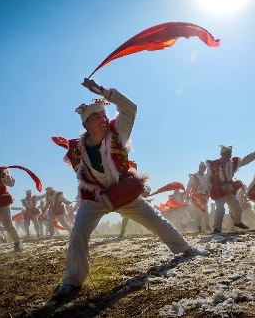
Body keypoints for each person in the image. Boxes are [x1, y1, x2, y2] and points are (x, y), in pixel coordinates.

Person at [51, 78, 201, 301]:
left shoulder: (118, 131)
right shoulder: (76, 150)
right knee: (78, 233)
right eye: (95, 116)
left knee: (155, 220)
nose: (102, 118)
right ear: (85, 125)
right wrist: (98, 191)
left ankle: (186, 250)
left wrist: (104, 92)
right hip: (94, 198)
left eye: (103, 114)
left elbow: (131, 108)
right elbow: (81, 174)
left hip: (123, 191)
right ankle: (72, 283)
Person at [206, 145, 255, 234]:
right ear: (222, 154)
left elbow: (245, 160)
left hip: (228, 189)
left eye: (230, 154)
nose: (229, 155)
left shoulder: (232, 163)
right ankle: (216, 229)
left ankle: (237, 222)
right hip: (217, 190)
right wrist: (209, 189)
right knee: (220, 208)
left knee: (238, 208)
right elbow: (208, 178)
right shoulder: (213, 164)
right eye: (227, 154)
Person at [186, 162, 212, 233]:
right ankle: (198, 226)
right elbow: (188, 187)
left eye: (204, 168)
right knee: (198, 214)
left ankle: (208, 226)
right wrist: (187, 195)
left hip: (204, 197)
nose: (203, 169)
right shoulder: (194, 177)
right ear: (199, 168)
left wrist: (208, 193)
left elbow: (208, 186)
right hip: (196, 197)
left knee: (206, 212)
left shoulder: (206, 177)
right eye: (202, 168)